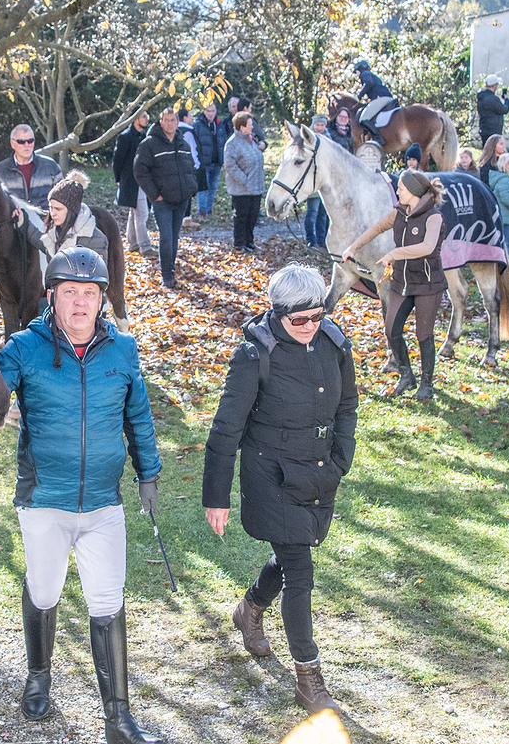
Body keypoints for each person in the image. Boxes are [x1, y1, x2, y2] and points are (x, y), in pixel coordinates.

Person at [0, 247, 164, 744]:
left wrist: (148, 473)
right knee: (45, 591)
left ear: (101, 299)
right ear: (52, 296)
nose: (79, 303)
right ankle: (38, 675)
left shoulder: (123, 350)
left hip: (103, 504)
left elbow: (139, 416)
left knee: (107, 602)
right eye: (69, 292)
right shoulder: (24, 347)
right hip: (44, 500)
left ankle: (118, 720)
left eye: (89, 293)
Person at [202, 264, 358, 716]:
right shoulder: (255, 355)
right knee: (300, 570)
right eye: (299, 319)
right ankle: (309, 680)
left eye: (317, 316)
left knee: (293, 552)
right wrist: (216, 496)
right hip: (269, 475)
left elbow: (347, 404)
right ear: (277, 312)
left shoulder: (333, 342)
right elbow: (226, 428)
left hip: (317, 471)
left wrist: (341, 457)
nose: (310, 326)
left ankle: (249, 608)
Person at [342, 170, 448, 399]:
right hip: (401, 282)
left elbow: (428, 247)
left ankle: (426, 384)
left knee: (423, 334)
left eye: (401, 188)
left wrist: (394, 253)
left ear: (414, 191)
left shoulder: (434, 217)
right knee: (391, 329)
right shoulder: (399, 213)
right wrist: (353, 248)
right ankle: (406, 376)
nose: (397, 191)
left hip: (427, 283)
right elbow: (376, 229)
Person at [133, 108, 197, 289]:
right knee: (166, 238)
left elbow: (190, 167)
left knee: (174, 237)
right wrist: (155, 195)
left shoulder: (182, 143)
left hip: (181, 199)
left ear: (177, 122)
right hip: (162, 202)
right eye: (166, 120)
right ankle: (167, 276)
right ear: (161, 122)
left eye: (173, 120)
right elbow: (139, 171)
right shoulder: (149, 144)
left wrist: (191, 188)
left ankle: (171, 271)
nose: (170, 124)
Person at [14, 171, 109, 264]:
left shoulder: (95, 239)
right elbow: (45, 244)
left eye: (58, 209)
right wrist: (23, 222)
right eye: (51, 208)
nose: (52, 213)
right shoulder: (55, 230)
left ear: (72, 210)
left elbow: (98, 273)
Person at [112, 112, 154, 256]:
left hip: (142, 180)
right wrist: (119, 179)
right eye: (143, 116)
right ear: (135, 119)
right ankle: (145, 247)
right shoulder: (125, 137)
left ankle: (134, 243)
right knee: (142, 213)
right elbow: (117, 160)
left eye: (147, 116)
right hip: (131, 181)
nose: (147, 119)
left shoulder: (144, 136)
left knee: (134, 212)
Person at [223, 111, 265, 254]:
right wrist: (244, 180)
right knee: (241, 217)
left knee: (253, 216)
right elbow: (230, 166)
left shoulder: (252, 140)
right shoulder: (232, 144)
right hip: (241, 189)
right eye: (249, 125)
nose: (252, 127)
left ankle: (249, 242)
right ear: (241, 127)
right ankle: (239, 244)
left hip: (256, 186)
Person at [0, 124, 62, 208]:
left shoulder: (51, 166)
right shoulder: (0, 171)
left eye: (30, 141)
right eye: (21, 141)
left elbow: (62, 198)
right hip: (14, 215)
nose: (27, 145)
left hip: (46, 215)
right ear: (12, 143)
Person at [489, 152, 509, 267]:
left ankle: (508, 263)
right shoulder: (504, 180)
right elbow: (506, 198)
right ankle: (504, 265)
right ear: (507, 164)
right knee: (507, 241)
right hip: (504, 217)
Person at [193, 103, 227, 219]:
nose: (210, 114)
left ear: (216, 111)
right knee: (203, 188)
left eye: (212, 111)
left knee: (212, 188)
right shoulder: (198, 125)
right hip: (204, 163)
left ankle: (209, 210)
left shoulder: (219, 125)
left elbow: (223, 142)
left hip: (216, 162)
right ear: (204, 111)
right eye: (208, 111)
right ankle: (202, 212)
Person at [353, 60, 396, 144]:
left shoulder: (364, 74)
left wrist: (359, 95)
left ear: (360, 69)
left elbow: (368, 83)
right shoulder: (372, 75)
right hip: (387, 97)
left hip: (380, 98)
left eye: (356, 72)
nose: (357, 75)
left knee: (363, 118)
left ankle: (378, 137)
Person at [304, 115, 331, 248]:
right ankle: (311, 239)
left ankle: (322, 239)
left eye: (322, 125)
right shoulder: (308, 140)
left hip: (324, 181)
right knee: (312, 212)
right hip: (313, 181)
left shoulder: (328, 139)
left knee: (323, 213)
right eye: (317, 125)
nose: (320, 128)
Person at [176, 107, 203, 229]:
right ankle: (185, 219)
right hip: (188, 167)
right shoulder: (187, 132)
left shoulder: (176, 130)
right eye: (190, 115)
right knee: (187, 194)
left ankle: (182, 218)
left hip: (177, 167)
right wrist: (196, 165)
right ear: (185, 117)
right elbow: (192, 150)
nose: (192, 118)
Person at [476, 74, 509, 144]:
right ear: (494, 85)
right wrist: (506, 100)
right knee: (493, 150)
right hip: (493, 132)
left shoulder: (481, 97)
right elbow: (505, 110)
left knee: (486, 149)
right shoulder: (493, 99)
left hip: (484, 130)